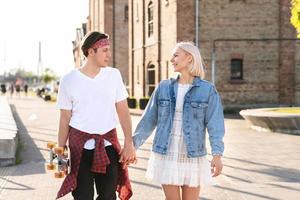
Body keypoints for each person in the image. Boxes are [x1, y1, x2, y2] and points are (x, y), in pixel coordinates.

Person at [133, 42, 225, 200]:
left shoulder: (207, 90)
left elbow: (215, 125)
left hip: (193, 156)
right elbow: (148, 119)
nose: (171, 59)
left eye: (176, 55)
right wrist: (132, 145)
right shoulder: (164, 87)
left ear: (189, 58)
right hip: (166, 155)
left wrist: (217, 154)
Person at [56, 31, 136, 200]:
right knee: (82, 196)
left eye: (109, 49)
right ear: (91, 52)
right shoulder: (68, 79)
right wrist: (60, 152)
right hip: (80, 147)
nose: (109, 54)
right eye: (104, 50)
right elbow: (64, 119)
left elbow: (123, 111)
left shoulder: (113, 75)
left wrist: (129, 143)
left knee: (108, 196)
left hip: (108, 146)